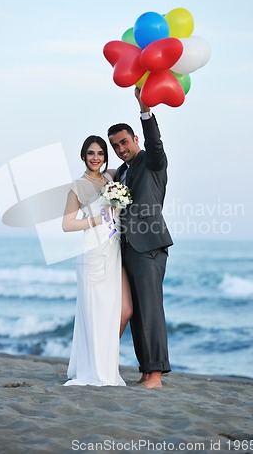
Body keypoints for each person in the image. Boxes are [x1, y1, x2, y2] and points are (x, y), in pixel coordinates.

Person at [108, 87, 172, 388]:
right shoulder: (120, 172)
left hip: (149, 246)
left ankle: (156, 375)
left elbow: (155, 142)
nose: (121, 148)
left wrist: (144, 109)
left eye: (124, 142)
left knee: (151, 308)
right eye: (115, 145)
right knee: (135, 313)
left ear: (135, 140)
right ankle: (146, 371)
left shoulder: (152, 161)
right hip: (126, 248)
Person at [62, 135, 131, 386]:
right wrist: (96, 221)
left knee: (113, 310)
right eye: (91, 153)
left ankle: (106, 365)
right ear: (83, 156)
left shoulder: (110, 179)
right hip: (91, 250)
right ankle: (93, 369)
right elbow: (67, 224)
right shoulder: (77, 186)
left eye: (101, 153)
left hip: (113, 249)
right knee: (94, 310)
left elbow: (129, 166)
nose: (96, 158)